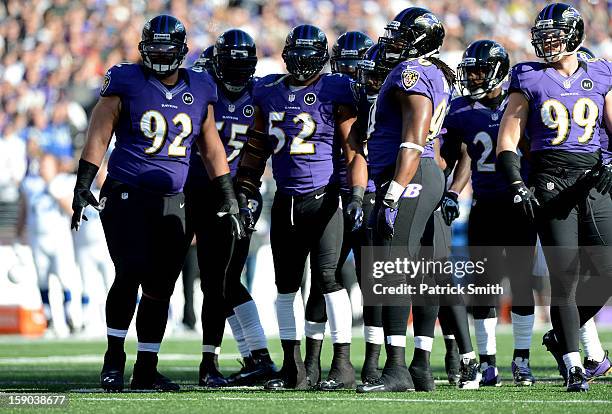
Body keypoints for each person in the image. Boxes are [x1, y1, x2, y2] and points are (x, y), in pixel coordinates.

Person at [71, 15, 243, 392]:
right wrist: (84, 182)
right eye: (156, 48)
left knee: (161, 285)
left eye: (168, 48)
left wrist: (227, 194)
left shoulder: (200, 84)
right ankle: (114, 358)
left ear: (182, 51)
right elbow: (99, 132)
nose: (162, 55)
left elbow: (211, 146)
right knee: (130, 271)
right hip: (127, 190)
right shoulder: (125, 79)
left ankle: (146, 366)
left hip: (174, 199)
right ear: (144, 49)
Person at [357, 7, 478, 393]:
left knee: (393, 268)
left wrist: (393, 191)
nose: (393, 40)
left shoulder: (413, 73)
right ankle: (422, 367)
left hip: (409, 173)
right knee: (428, 272)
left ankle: (396, 369)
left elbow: (413, 139)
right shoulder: (435, 72)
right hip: (425, 175)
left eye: (401, 34)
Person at [235, 24, 358, 390]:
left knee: (327, 279)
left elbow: (353, 151)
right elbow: (256, 146)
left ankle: (342, 364)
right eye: (297, 55)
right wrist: (245, 188)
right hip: (285, 198)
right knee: (285, 285)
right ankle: (294, 367)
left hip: (324, 198)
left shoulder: (336, 89)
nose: (302, 64)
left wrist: (355, 194)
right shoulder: (267, 90)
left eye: (309, 56)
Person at [496, 3, 612, 392]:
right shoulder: (527, 76)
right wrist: (515, 180)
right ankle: (574, 366)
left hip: (594, 180)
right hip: (551, 180)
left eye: (555, 34)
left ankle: (563, 334)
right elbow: (508, 138)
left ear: (576, 34)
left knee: (607, 271)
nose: (548, 42)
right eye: (543, 35)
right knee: (566, 279)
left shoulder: (599, 71)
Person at [442, 40, 537, 387]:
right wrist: (451, 191)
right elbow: (460, 156)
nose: (473, 77)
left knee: (523, 285)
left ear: (497, 70)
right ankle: (487, 363)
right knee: (483, 289)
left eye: (480, 70)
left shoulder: (520, 103)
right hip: (484, 207)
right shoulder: (461, 110)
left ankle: (522, 360)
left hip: (518, 207)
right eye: (471, 70)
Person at [185, 29, 276, 388]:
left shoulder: (259, 94)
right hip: (211, 191)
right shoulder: (210, 91)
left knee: (223, 282)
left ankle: (257, 356)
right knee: (221, 282)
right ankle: (256, 355)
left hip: (237, 191)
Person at [302, 31, 378, 386]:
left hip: (373, 194)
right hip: (334, 194)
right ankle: (313, 363)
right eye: (343, 65)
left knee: (375, 280)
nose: (349, 73)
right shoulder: (329, 94)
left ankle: (374, 364)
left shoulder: (385, 94)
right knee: (324, 276)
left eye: (355, 66)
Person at [22, 152, 83, 336]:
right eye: (42, 165)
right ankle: (47, 318)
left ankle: (69, 316)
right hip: (37, 238)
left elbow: (71, 210)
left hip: (59, 237)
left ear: (55, 167)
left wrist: (53, 188)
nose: (43, 168)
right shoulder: (31, 184)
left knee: (65, 278)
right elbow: (24, 210)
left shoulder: (64, 182)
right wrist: (19, 233)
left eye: (47, 165)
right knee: (41, 278)